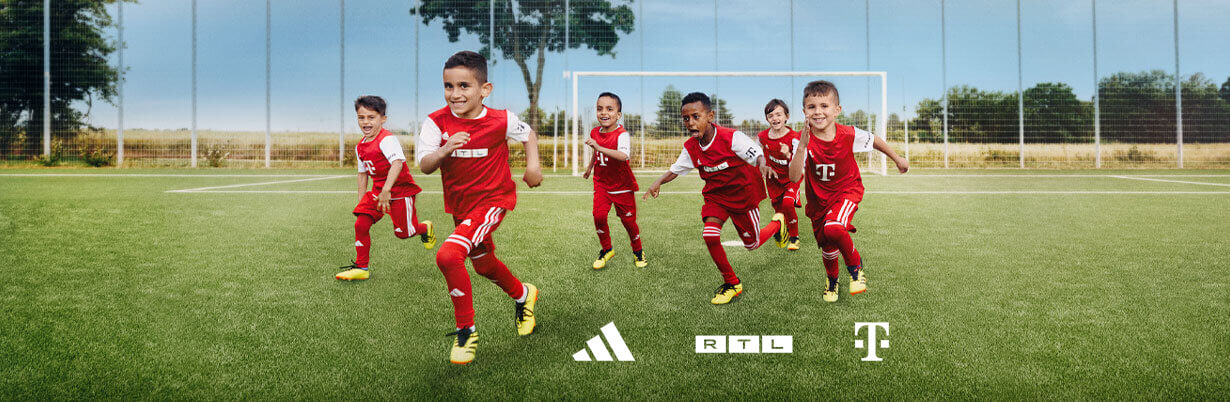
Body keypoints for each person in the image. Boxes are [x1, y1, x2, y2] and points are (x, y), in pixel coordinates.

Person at [415, 51, 544, 364]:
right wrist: (445, 149)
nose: (455, 94)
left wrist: (533, 165)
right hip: (461, 207)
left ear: (484, 89)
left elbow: (528, 134)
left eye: (464, 86)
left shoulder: (501, 119)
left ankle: (466, 331)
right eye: (449, 86)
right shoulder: (435, 122)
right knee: (484, 265)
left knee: (448, 255)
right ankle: (524, 295)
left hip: (493, 201)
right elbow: (425, 166)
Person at [643, 92, 786, 305]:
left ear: (710, 116)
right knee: (710, 235)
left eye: (696, 117)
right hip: (716, 197)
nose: (690, 123)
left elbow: (757, 153)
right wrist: (658, 182)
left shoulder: (731, 138)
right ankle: (732, 283)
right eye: (686, 118)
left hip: (743, 196)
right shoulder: (691, 148)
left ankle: (777, 224)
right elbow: (676, 169)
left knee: (752, 244)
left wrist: (763, 163)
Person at [787, 80, 909, 303]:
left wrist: (897, 158)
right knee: (827, 247)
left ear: (837, 110)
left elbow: (875, 141)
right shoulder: (801, 140)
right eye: (812, 107)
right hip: (818, 201)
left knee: (834, 227)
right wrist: (802, 146)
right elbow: (794, 177)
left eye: (824, 106)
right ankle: (832, 281)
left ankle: (855, 267)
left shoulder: (849, 134)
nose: (818, 112)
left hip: (847, 191)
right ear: (804, 111)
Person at [337, 95, 435, 281]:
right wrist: (362, 202)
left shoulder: (386, 140)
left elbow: (397, 163)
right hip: (378, 193)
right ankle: (361, 267)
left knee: (403, 233)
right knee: (361, 223)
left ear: (383, 119)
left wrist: (387, 190)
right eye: (361, 117)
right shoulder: (361, 146)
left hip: (399, 192)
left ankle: (424, 228)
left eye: (371, 117)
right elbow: (362, 174)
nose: (366, 122)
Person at [582, 92, 646, 269]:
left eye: (610, 109)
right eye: (600, 108)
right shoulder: (595, 131)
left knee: (628, 222)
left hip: (621, 186)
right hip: (601, 182)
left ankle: (638, 251)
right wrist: (589, 168)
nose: (604, 113)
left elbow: (623, 155)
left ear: (618, 115)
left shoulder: (622, 135)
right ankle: (606, 249)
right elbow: (596, 153)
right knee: (599, 216)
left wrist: (599, 146)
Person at [756, 98, 803, 251]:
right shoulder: (762, 137)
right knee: (779, 212)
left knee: (788, 203)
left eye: (778, 115)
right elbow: (756, 155)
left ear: (786, 117)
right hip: (773, 180)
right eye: (771, 116)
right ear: (767, 119)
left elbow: (800, 163)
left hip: (791, 178)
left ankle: (794, 238)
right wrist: (762, 166)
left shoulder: (794, 138)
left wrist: (788, 154)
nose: (775, 119)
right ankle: (784, 231)